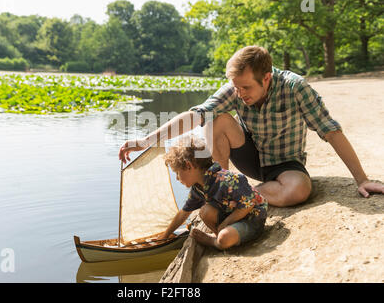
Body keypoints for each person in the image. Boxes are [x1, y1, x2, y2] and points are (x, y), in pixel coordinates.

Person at [119, 45, 384, 207]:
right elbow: (195, 115)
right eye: (236, 87)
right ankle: (219, 189)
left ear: (267, 78)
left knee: (300, 190)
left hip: (285, 163)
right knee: (217, 118)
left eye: (246, 87)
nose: (240, 93)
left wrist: (361, 179)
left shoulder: (295, 87)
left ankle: (239, 195)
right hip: (250, 155)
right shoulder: (237, 88)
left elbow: (331, 131)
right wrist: (145, 140)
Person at [158, 135, 267, 249]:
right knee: (205, 212)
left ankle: (216, 242)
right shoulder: (198, 188)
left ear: (188, 165)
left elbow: (248, 206)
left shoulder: (228, 180)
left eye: (177, 173)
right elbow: (184, 213)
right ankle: (219, 236)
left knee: (224, 237)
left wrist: (225, 223)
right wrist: (165, 235)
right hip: (233, 218)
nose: (177, 178)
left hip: (251, 220)